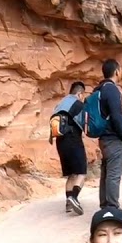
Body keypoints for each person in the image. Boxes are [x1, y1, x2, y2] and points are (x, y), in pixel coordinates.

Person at [95, 59, 122, 210]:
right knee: (114, 173)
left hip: (104, 137)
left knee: (107, 172)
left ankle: (105, 206)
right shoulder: (112, 89)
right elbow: (116, 115)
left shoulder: (99, 89)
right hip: (113, 137)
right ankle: (112, 208)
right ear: (116, 71)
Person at [50, 81, 88, 215]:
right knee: (81, 172)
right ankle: (74, 198)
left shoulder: (60, 104)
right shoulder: (78, 104)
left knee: (71, 174)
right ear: (79, 93)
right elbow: (86, 124)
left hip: (60, 142)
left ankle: (68, 204)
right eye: (83, 95)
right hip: (73, 139)